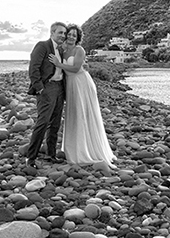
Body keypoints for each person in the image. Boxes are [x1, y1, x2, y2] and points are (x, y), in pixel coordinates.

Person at [49, 24, 116, 173]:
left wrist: (58, 64)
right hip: (71, 85)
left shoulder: (80, 50)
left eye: (74, 35)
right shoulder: (63, 50)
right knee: (74, 114)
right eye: (69, 34)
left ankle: (88, 150)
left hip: (82, 83)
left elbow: (76, 68)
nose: (71, 37)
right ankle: (74, 149)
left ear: (78, 37)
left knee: (84, 113)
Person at [26, 22, 67, 167]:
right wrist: (40, 88)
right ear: (52, 33)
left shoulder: (61, 50)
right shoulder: (42, 46)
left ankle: (51, 154)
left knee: (55, 123)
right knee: (43, 122)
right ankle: (31, 158)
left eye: (64, 33)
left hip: (59, 88)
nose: (63, 35)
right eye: (60, 32)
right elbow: (33, 68)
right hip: (47, 87)